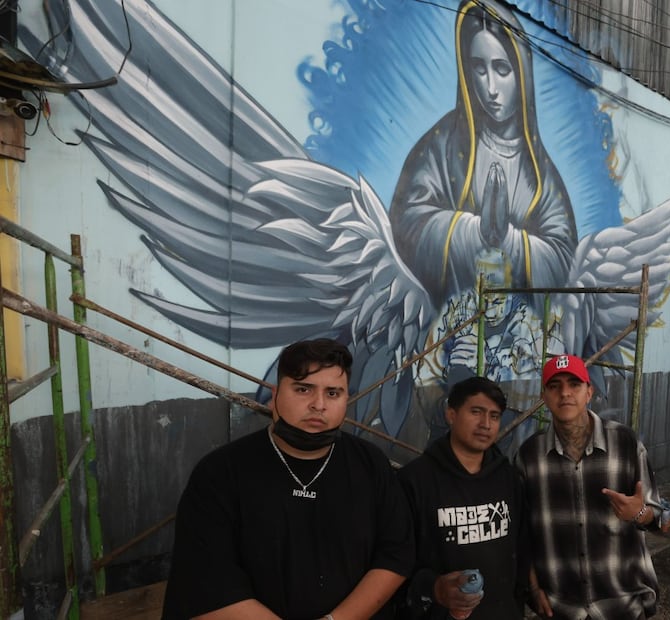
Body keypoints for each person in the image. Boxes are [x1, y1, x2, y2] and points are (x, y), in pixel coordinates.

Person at [162, 338, 414, 619]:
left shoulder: (371, 465)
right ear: (275, 395)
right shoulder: (221, 473)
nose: (318, 405)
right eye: (303, 389)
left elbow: (396, 553)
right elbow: (206, 582)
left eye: (333, 393)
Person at [390, 0, 577, 310]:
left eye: (502, 69)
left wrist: (510, 241)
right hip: (450, 324)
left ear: (522, 74)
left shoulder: (540, 174)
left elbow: (563, 259)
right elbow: (406, 225)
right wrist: (472, 231)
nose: (490, 88)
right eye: (479, 68)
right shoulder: (442, 145)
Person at [515, 354, 670, 620]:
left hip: (622, 603)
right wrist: (533, 587)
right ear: (544, 396)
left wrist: (639, 512)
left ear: (589, 392)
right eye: (555, 386)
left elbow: (662, 520)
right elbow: (521, 533)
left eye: (574, 384)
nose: (565, 393)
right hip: (560, 606)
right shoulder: (529, 456)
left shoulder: (625, 443)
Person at [397, 377, 527, 619]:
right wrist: (434, 588)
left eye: (494, 416)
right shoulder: (414, 481)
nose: (485, 424)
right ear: (451, 414)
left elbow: (522, 546)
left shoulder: (508, 478)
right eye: (476, 412)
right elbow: (397, 561)